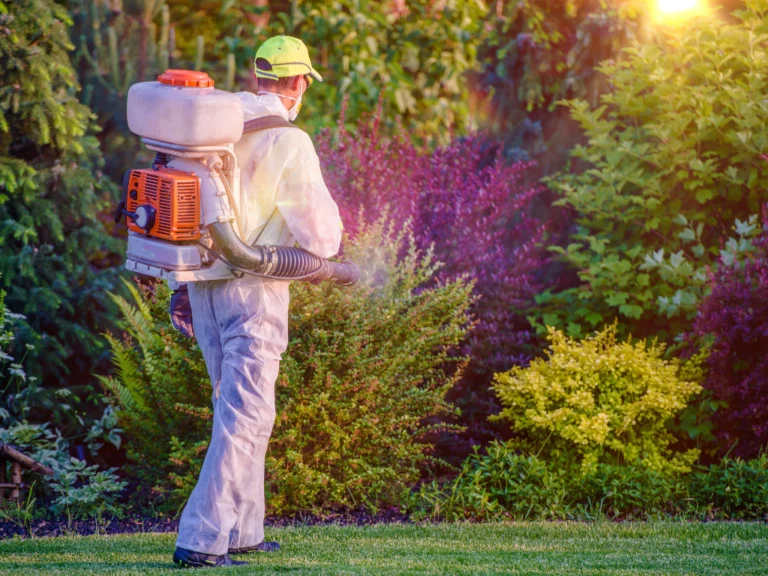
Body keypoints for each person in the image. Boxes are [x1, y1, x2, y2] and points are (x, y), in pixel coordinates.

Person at [171, 35, 343, 569]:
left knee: (238, 410)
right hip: (254, 289)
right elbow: (320, 238)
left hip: (202, 285)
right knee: (247, 416)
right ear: (297, 84)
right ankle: (200, 540)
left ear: (258, 77)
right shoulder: (288, 141)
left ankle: (243, 530)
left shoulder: (214, 129)